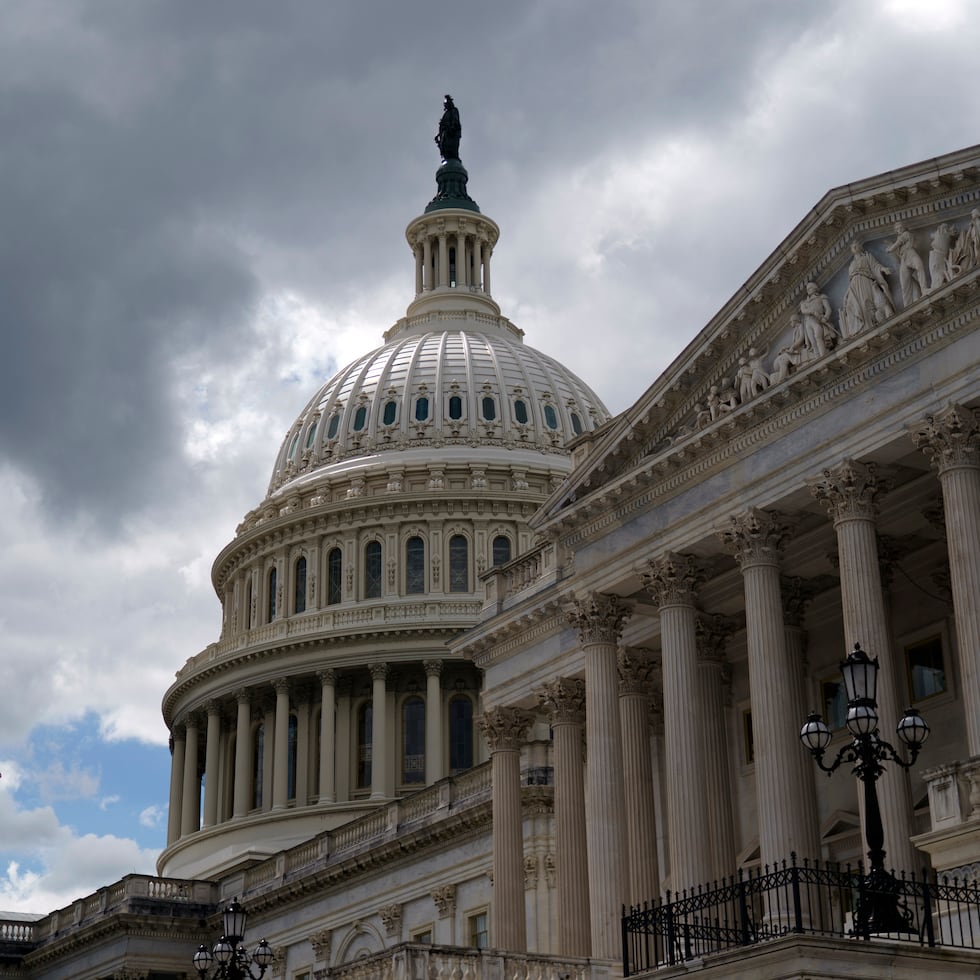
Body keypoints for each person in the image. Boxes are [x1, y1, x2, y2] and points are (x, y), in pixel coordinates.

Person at [840, 241, 895, 338]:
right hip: (854, 286)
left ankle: (871, 325)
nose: (855, 247)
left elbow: (875, 266)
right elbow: (851, 279)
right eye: (853, 246)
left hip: (866, 281)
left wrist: (884, 269)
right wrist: (846, 294)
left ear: (860, 247)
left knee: (867, 304)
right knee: (850, 306)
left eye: (856, 245)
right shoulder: (852, 264)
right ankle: (862, 330)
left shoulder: (866, 257)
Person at [886, 222, 927, 306]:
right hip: (904, 260)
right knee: (904, 283)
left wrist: (890, 249)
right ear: (896, 231)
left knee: (919, 266)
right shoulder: (900, 237)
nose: (899, 229)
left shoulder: (906, 234)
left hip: (910, 253)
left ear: (904, 227)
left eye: (900, 227)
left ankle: (924, 289)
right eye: (897, 229)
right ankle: (907, 305)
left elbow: (898, 243)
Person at [799, 281, 836, 358]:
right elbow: (803, 310)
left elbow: (828, 309)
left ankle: (823, 355)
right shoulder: (804, 302)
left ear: (815, 288)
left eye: (810, 288)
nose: (808, 290)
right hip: (808, 321)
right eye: (807, 289)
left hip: (818, 320)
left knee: (818, 335)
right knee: (813, 341)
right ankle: (817, 357)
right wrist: (812, 312)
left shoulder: (821, 297)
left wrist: (825, 318)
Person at [435, 95, 461, 161]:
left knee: (451, 146)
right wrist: (438, 135)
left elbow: (455, 120)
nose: (446, 106)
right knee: (445, 146)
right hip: (445, 133)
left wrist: (453, 127)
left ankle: (453, 157)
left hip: (451, 132)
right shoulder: (446, 114)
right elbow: (442, 124)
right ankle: (447, 157)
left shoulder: (454, 110)